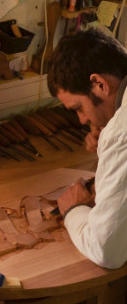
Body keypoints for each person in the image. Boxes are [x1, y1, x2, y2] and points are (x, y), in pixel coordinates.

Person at [47, 27, 127, 269]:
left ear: (99, 84)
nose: (82, 120)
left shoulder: (121, 133)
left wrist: (74, 209)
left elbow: (107, 251)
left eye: (78, 108)